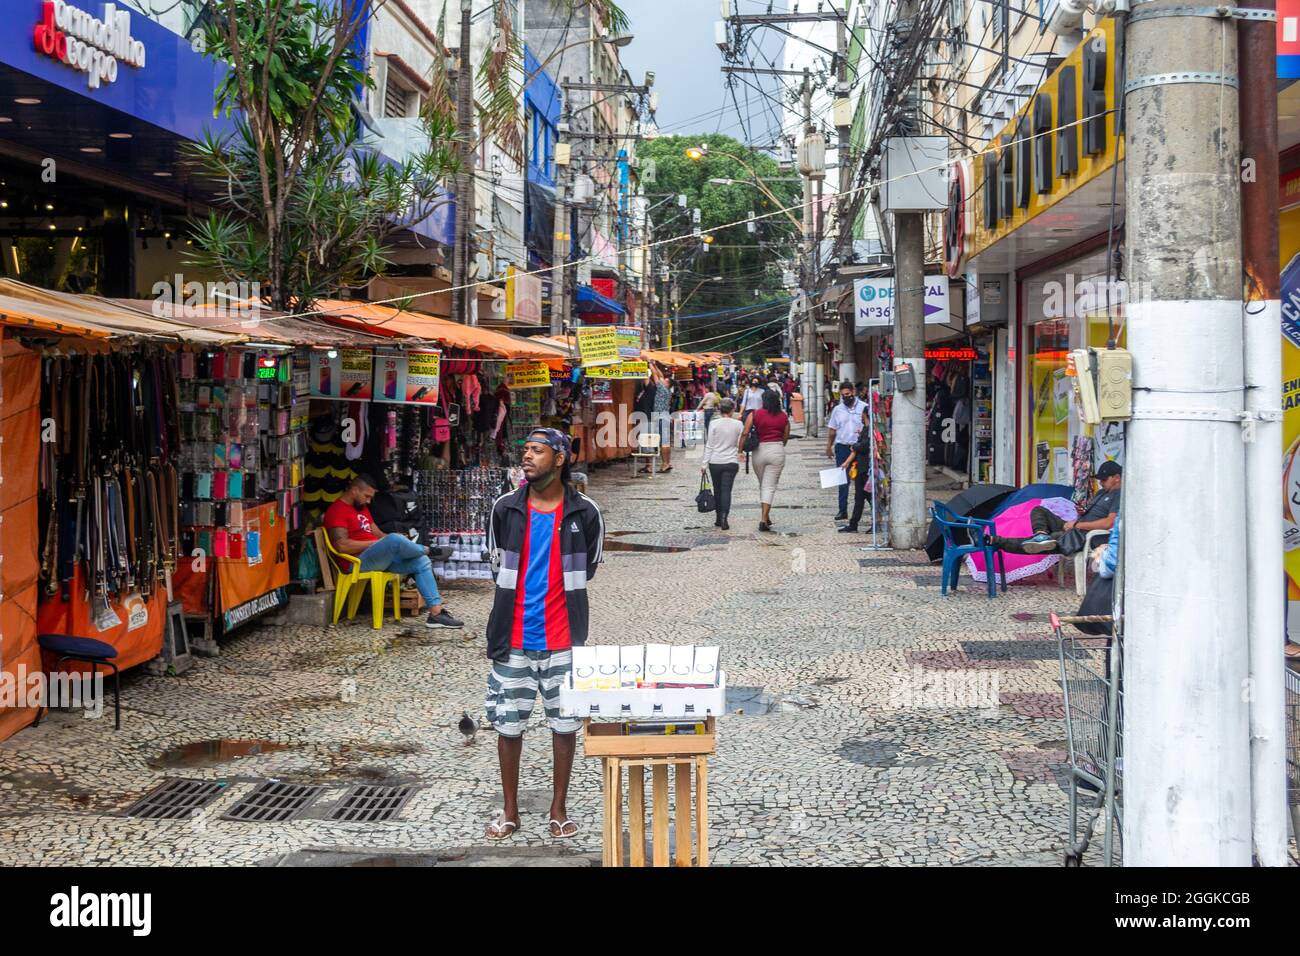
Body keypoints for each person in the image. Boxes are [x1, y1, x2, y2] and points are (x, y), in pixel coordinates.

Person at [482, 427, 605, 840]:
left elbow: (588, 565)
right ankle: (510, 810)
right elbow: (496, 565)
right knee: (508, 726)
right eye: (526, 450)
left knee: (564, 725)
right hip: (511, 638)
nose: (528, 457)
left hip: (564, 638)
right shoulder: (504, 508)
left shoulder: (585, 512)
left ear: (560, 458)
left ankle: (558, 808)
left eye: (538, 450)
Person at [324, 474, 464, 628]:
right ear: (355, 490)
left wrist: (394, 542)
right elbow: (341, 546)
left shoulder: (361, 508)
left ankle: (436, 614)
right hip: (356, 563)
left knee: (420, 561)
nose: (369, 501)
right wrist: (381, 543)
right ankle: (429, 550)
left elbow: (378, 533)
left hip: (377, 558)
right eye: (367, 496)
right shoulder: (337, 510)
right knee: (394, 539)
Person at [993, 461, 1123, 554]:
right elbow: (1090, 515)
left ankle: (997, 541)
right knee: (1039, 511)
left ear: (1117, 478)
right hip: (1076, 526)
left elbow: (1108, 523)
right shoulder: (1101, 493)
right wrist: (1081, 512)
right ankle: (1041, 535)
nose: (1101, 483)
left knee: (1039, 542)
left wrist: (1076, 525)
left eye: (1104, 479)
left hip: (1083, 534)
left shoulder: (1119, 495)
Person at [739, 388, 790, 532]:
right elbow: (786, 435)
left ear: (764, 401)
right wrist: (780, 445)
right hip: (776, 450)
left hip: (759, 451)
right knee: (769, 486)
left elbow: (745, 433)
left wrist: (740, 450)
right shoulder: (783, 416)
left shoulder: (755, 414)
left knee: (764, 485)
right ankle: (764, 518)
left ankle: (765, 516)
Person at [825, 381, 865, 521]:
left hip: (860, 449)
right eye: (843, 396)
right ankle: (842, 510)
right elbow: (832, 430)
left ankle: (864, 511)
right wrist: (828, 446)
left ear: (853, 392)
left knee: (862, 480)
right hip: (842, 447)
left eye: (847, 394)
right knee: (843, 480)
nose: (845, 397)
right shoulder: (837, 409)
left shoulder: (864, 407)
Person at [836, 405, 874, 533]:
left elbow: (863, 446)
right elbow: (856, 448)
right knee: (859, 497)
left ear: (865, 415)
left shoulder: (871, 431)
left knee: (869, 497)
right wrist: (846, 463)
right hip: (860, 467)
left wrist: (855, 446)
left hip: (867, 468)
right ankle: (853, 524)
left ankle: (875, 522)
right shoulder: (865, 429)